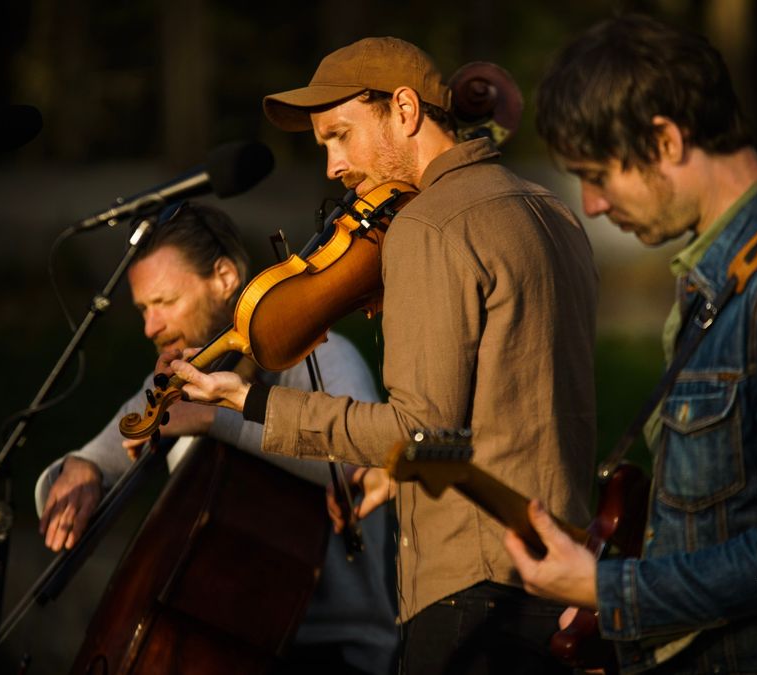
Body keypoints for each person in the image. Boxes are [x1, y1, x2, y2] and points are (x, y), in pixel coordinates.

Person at [163, 37, 599, 673]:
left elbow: (413, 426)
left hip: (470, 600)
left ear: (404, 109)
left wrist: (247, 399)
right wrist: (401, 472)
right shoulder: (554, 213)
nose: (334, 167)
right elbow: (501, 417)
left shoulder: (428, 225)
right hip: (562, 585)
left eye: (341, 135)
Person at [505, 14, 757, 673]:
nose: (589, 204)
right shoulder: (729, 274)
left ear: (665, 140)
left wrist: (609, 591)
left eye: (597, 175)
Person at [34, 203, 398, 674]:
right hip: (226, 644)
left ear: (224, 277)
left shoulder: (324, 356)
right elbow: (115, 442)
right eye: (144, 310)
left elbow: (359, 458)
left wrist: (214, 420)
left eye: (164, 303)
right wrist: (81, 468)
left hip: (338, 651)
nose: (150, 327)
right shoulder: (180, 381)